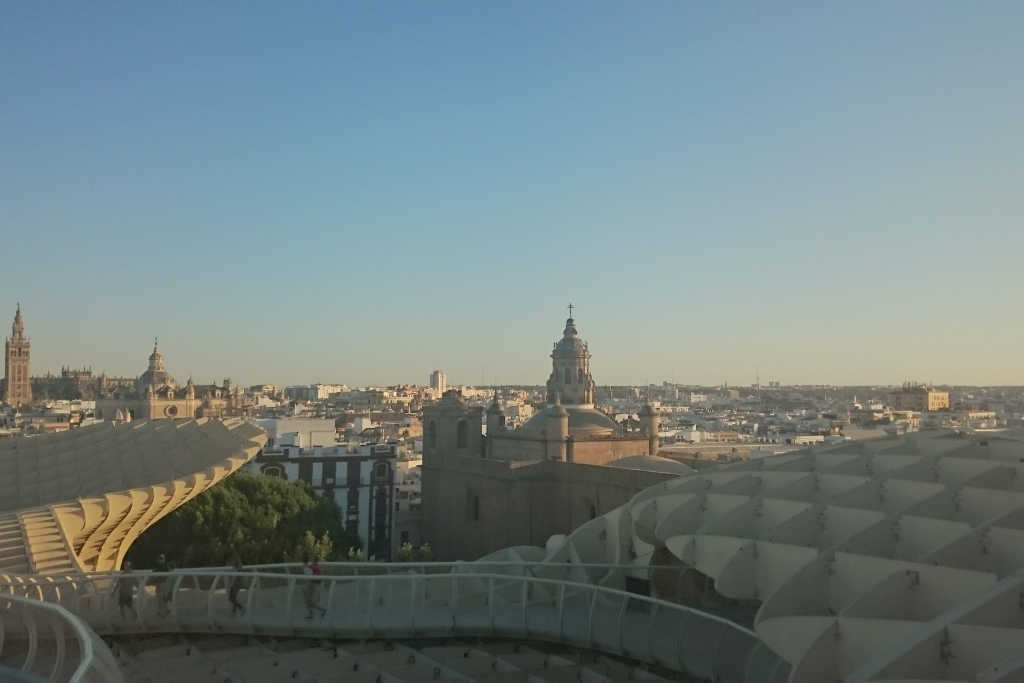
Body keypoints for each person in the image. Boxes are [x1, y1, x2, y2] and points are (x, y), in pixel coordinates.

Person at [152, 553, 172, 617]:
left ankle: (164, 611)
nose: (161, 560)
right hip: (159, 584)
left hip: (164, 584)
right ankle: (162, 611)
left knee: (164, 599)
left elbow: (169, 573)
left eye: (162, 559)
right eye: (160, 559)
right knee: (160, 599)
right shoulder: (157, 567)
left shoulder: (166, 567)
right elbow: (153, 574)